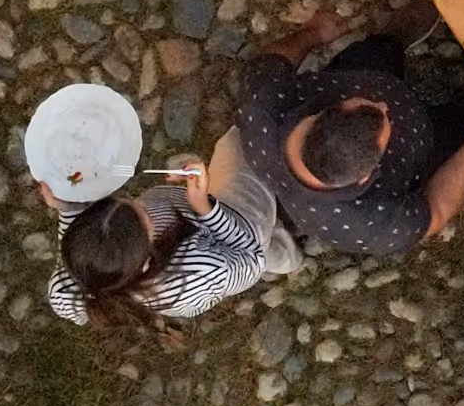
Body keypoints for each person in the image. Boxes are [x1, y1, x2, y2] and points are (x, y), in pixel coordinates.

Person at [237, 3, 464, 254]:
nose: (384, 106)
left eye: (365, 104)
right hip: (422, 147)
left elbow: (270, 61)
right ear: (366, 175)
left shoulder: (261, 109)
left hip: (361, 72)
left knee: (376, 54)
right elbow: (437, 212)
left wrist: (313, 33)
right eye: (386, 125)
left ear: (323, 112)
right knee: (462, 130)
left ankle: (391, 41)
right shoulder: (365, 224)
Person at [35, 131, 297, 330]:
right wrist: (205, 208)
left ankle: (283, 253)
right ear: (148, 259)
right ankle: (287, 257)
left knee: (271, 247)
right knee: (242, 141)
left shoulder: (72, 288)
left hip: (211, 246)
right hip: (239, 231)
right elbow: (249, 258)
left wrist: (68, 208)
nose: (139, 201)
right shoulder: (202, 268)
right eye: (143, 212)